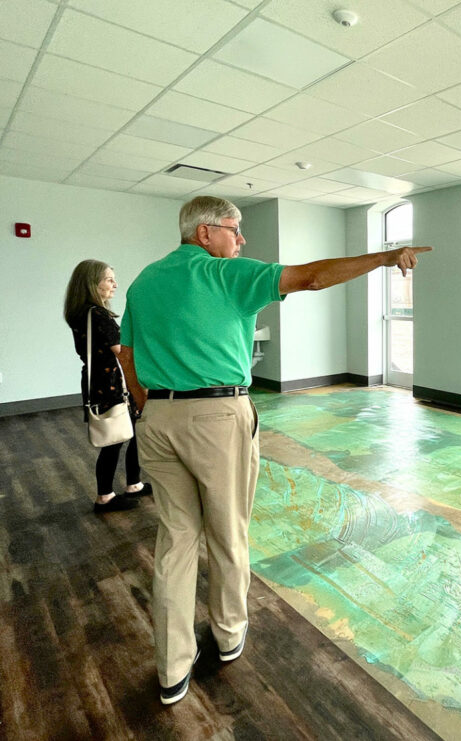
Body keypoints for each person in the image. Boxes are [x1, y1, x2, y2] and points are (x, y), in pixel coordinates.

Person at [119, 196, 431, 704]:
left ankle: (172, 666)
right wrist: (382, 256)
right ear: (204, 233)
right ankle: (226, 635)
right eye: (234, 229)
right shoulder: (225, 275)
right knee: (228, 532)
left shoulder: (144, 281)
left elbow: (126, 351)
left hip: (158, 420)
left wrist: (148, 405)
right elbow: (310, 277)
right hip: (219, 419)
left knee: (176, 541)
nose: (241, 240)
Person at [63, 260, 153, 513]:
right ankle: (105, 497)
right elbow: (121, 352)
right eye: (109, 279)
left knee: (127, 431)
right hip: (112, 382)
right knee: (115, 437)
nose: (115, 284)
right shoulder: (98, 314)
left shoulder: (81, 313)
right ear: (93, 284)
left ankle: (133, 483)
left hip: (100, 380)